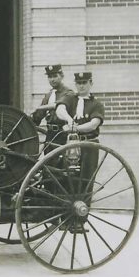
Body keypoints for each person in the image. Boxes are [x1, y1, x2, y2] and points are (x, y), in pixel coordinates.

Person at [55, 72, 105, 203]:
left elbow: (94, 124)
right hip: (70, 145)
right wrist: (69, 119)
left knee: (86, 181)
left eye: (84, 83)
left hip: (89, 146)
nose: (81, 86)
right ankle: (66, 219)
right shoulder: (71, 98)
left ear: (91, 83)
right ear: (75, 84)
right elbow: (60, 109)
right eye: (79, 83)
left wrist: (75, 128)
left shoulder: (96, 104)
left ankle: (81, 218)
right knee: (67, 180)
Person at [31, 64, 75, 151]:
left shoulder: (69, 93)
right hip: (50, 135)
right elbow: (38, 116)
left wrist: (39, 108)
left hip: (63, 134)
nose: (52, 79)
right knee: (48, 162)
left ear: (62, 76)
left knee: (61, 162)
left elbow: (57, 105)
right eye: (50, 77)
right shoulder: (49, 95)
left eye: (55, 76)